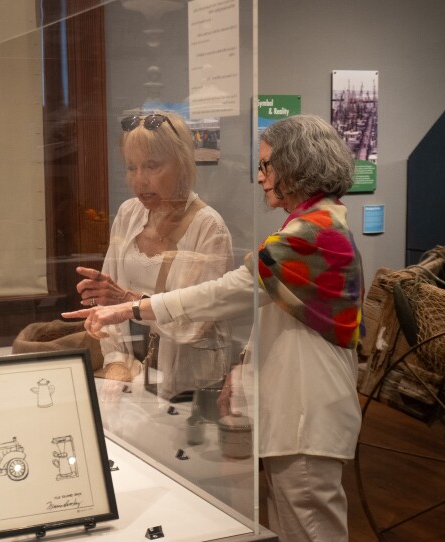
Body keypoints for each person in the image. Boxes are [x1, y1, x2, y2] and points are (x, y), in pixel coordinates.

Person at [64, 114, 364, 541]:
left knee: (311, 528)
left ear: (294, 167)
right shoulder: (312, 225)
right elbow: (268, 307)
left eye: (266, 166)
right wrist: (243, 370)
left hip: (305, 412)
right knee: (296, 523)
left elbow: (225, 293)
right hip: (295, 407)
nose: (260, 178)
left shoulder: (310, 235)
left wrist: (132, 307)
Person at [73, 111, 234, 402]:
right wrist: (116, 360)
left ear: (182, 164)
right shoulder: (128, 213)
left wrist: (127, 302)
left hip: (189, 389)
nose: (140, 180)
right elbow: (109, 296)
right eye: (131, 168)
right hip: (135, 382)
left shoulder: (208, 227)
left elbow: (192, 322)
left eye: (152, 166)